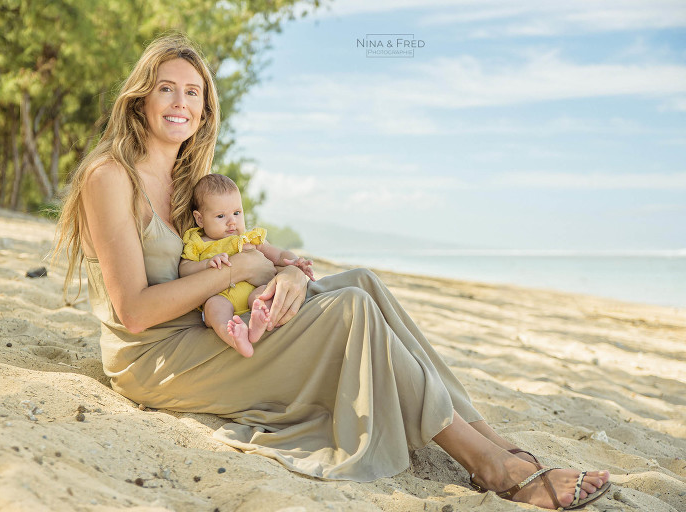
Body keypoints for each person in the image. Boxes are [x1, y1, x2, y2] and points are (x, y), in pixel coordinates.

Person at [53, 33, 611, 509]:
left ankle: (492, 438)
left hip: (206, 328)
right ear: (140, 101)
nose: (179, 102)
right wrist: (237, 272)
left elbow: (241, 256)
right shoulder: (111, 176)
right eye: (166, 89)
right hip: (155, 357)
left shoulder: (189, 183)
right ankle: (492, 467)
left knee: (362, 282)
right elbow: (134, 309)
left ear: (204, 110)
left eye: (192, 92)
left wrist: (288, 276)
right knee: (350, 310)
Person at [179, 173, 314, 357]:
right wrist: (205, 264)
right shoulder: (198, 242)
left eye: (237, 213)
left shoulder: (248, 238)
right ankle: (234, 336)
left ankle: (259, 319)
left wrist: (295, 261)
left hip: (253, 291)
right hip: (220, 297)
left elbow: (279, 254)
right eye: (220, 216)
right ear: (200, 218)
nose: (232, 222)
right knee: (214, 307)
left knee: (264, 293)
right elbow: (184, 268)